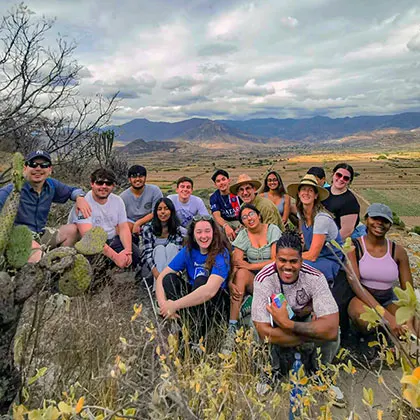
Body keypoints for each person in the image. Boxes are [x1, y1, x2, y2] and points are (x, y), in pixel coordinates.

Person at [252, 230, 341, 382]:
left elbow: (331, 329)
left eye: (293, 261)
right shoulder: (264, 279)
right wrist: (312, 335)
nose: (287, 266)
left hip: (301, 320)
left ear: (301, 260)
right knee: (255, 330)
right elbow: (264, 332)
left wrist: (288, 324)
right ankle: (271, 371)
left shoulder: (315, 277)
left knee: (335, 334)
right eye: (282, 260)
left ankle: (320, 372)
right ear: (275, 259)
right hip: (277, 325)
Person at [0, 150, 90, 263]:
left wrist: (80, 197)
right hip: (18, 238)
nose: (38, 168)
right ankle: (45, 272)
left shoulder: (51, 185)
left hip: (40, 234)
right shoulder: (12, 191)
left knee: (73, 230)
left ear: (50, 170)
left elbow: (72, 191)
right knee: (38, 254)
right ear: (24, 168)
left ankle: (60, 263)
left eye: (44, 165)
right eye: (33, 164)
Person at [156, 215, 230, 340]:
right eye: (199, 232)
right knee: (169, 278)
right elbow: (161, 277)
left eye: (207, 231)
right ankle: (187, 323)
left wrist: (175, 305)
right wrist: (164, 306)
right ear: (193, 235)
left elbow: (209, 291)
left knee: (201, 280)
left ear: (214, 232)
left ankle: (195, 334)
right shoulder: (189, 251)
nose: (204, 236)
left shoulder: (221, 253)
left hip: (215, 304)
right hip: (192, 303)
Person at [347, 203, 416, 338]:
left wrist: (410, 324)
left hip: (389, 299)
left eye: (385, 221)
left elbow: (408, 292)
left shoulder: (398, 252)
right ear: (366, 219)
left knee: (412, 325)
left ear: (390, 225)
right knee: (367, 321)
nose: (379, 223)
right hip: (362, 298)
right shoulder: (354, 246)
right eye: (375, 218)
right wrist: (389, 318)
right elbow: (356, 285)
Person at [224, 204, 281, 352]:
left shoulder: (272, 230)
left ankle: (252, 305)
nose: (249, 218)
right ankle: (232, 326)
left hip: (273, 278)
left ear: (259, 215)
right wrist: (230, 282)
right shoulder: (243, 235)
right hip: (254, 281)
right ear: (242, 223)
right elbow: (237, 263)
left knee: (246, 269)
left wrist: (250, 266)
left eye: (251, 214)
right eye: (244, 217)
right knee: (241, 274)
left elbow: (276, 260)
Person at [68, 168, 139, 268]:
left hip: (111, 239)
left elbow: (123, 227)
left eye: (108, 183)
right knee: (92, 265)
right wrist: (116, 257)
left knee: (136, 256)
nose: (104, 186)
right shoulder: (84, 203)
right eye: (100, 183)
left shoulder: (117, 201)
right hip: (88, 243)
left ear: (113, 186)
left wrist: (128, 251)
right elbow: (89, 235)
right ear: (92, 184)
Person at [140, 197, 186, 283]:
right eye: (159, 209)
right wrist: (156, 273)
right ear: (156, 212)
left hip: (173, 266)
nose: (163, 212)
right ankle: (161, 287)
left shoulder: (177, 229)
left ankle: (170, 285)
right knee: (159, 249)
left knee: (172, 247)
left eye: (166, 209)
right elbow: (148, 252)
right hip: (151, 266)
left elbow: (179, 251)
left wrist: (179, 272)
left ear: (171, 211)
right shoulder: (148, 228)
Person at [120, 165, 163, 235]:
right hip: (131, 225)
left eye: (140, 176)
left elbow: (156, 212)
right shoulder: (123, 197)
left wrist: (138, 223)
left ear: (145, 178)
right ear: (129, 179)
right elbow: (122, 217)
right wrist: (134, 226)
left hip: (151, 222)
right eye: (134, 176)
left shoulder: (154, 191)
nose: (137, 179)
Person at [322, 163, 360, 240]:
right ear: (333, 174)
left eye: (345, 178)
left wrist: (327, 244)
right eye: (339, 175)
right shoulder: (323, 192)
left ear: (349, 181)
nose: (341, 179)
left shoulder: (350, 202)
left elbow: (346, 231)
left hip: (333, 242)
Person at [209, 169, 241, 241]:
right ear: (215, 184)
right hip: (225, 221)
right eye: (218, 181)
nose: (221, 183)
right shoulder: (214, 197)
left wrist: (242, 225)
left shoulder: (237, 192)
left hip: (240, 220)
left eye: (223, 179)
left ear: (228, 180)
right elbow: (216, 216)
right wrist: (226, 226)